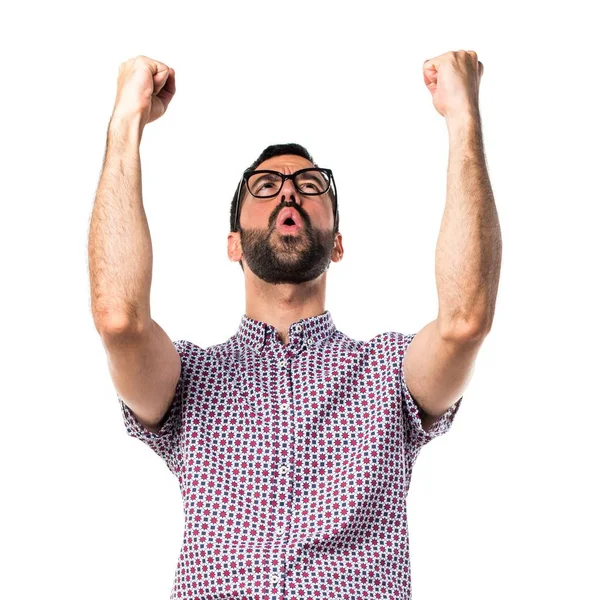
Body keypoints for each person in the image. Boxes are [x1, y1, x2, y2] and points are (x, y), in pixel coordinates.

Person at [89, 53, 499, 600]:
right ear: (233, 242)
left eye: (309, 184)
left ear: (338, 242)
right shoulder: (188, 377)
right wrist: (125, 123)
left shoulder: (389, 374)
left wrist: (463, 118)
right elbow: (119, 320)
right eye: (265, 186)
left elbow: (465, 321)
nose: (288, 192)